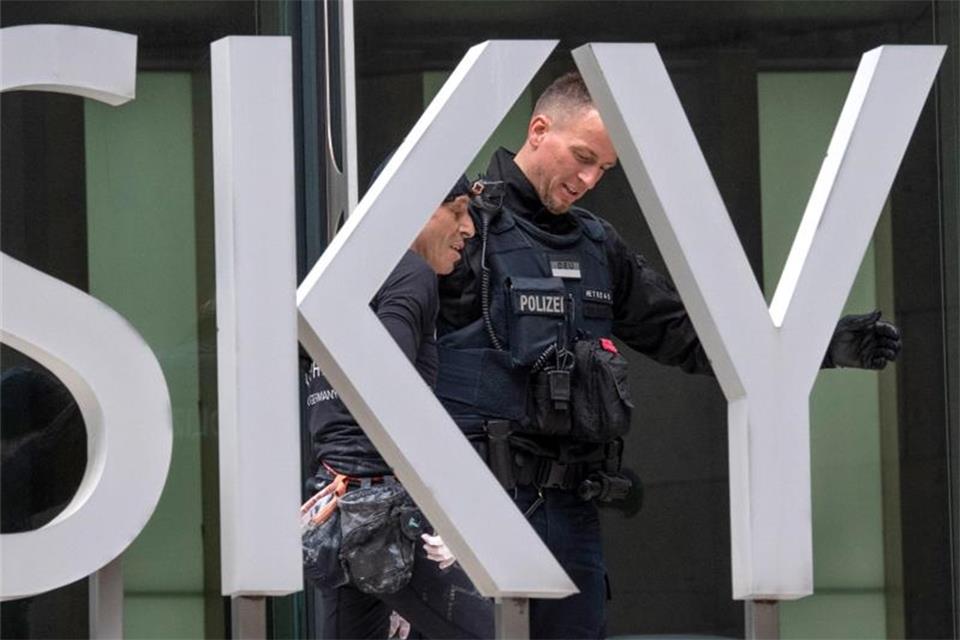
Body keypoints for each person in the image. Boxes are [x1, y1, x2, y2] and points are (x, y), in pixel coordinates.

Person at [434, 71, 902, 639]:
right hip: (470, 508)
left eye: (603, 168)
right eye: (582, 156)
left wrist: (820, 342)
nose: (588, 179)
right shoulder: (463, 229)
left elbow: (686, 332)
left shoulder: (598, 244)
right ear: (538, 130)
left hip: (570, 513)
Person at [304, 175, 494, 639]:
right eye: (457, 210)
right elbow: (382, 387)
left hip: (338, 510)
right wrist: (444, 510)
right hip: (389, 513)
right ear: (416, 208)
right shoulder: (411, 274)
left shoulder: (338, 284)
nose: (469, 229)